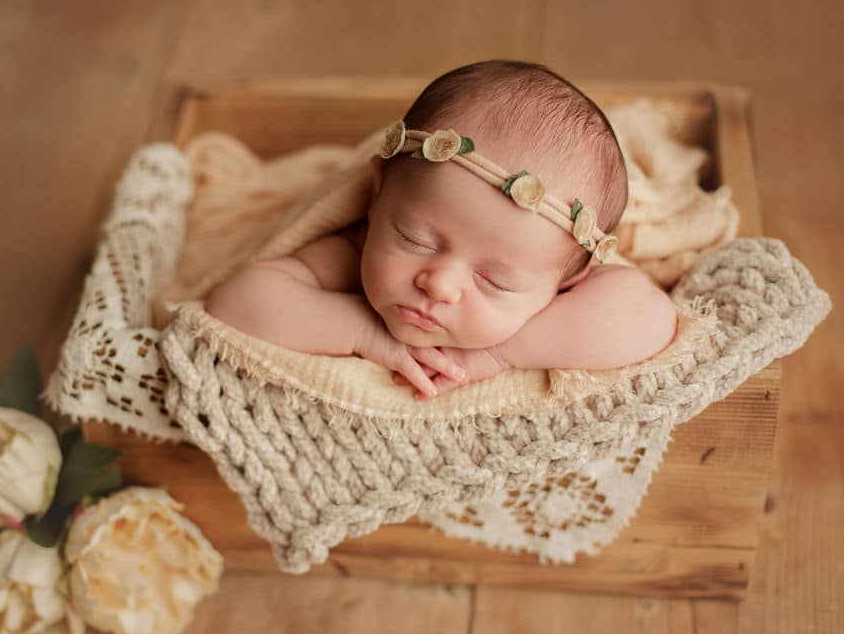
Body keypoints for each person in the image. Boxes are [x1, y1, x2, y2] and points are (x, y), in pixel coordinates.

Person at [204, 60, 678, 400]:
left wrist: (500, 354)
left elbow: (652, 318)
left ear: (568, 282)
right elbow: (235, 301)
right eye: (415, 239)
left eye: (495, 281)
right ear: (378, 196)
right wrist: (361, 331)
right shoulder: (350, 257)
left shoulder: (555, 294)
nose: (439, 284)